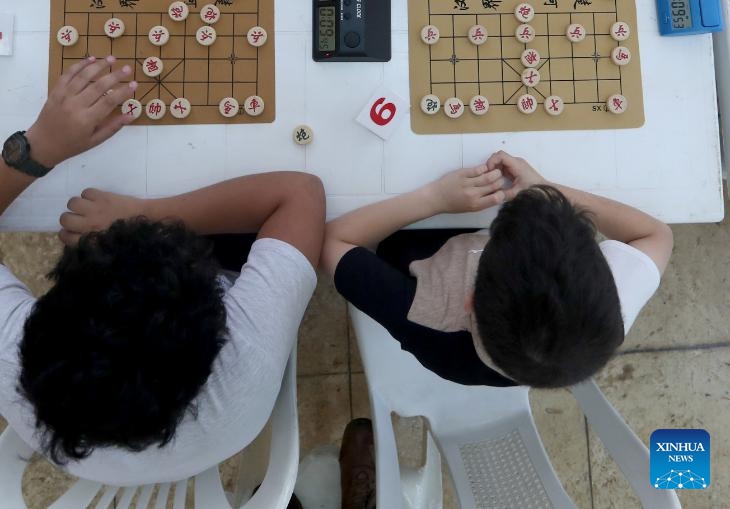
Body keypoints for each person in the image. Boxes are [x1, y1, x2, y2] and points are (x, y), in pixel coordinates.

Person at [0, 54, 325, 486]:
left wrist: (40, 147)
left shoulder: (15, 355)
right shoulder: (245, 361)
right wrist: (148, 213)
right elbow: (302, 194)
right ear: (218, 331)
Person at [321, 151, 673, 387]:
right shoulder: (604, 312)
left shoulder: (425, 313)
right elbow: (656, 234)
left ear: (470, 299)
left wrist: (434, 200)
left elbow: (334, 241)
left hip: (412, 246)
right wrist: (545, 190)